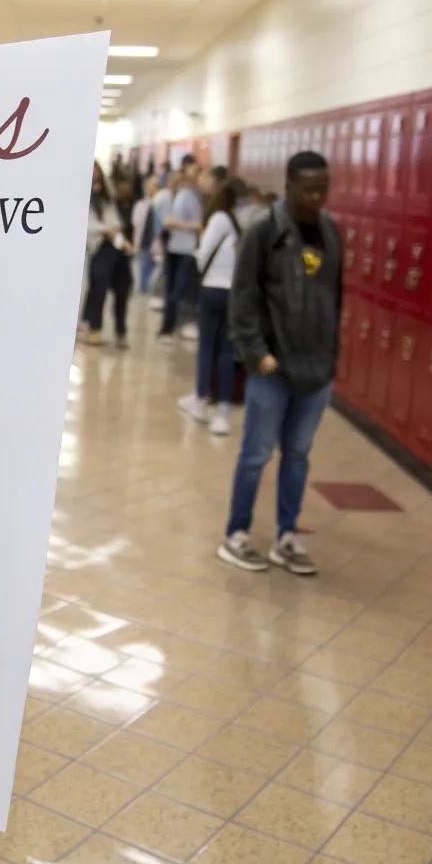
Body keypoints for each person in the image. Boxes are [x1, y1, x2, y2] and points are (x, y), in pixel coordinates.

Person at [217, 151, 342, 578]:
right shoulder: (264, 231)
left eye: (322, 188)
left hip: (315, 371)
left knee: (298, 456)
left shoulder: (329, 231)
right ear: (287, 187)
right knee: (256, 455)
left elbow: (333, 299)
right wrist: (259, 357)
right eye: (307, 189)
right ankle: (237, 534)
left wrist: (331, 357)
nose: (316, 197)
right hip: (273, 369)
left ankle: (287, 536)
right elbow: (243, 300)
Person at [179, 176, 248, 436]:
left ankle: (200, 400)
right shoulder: (239, 224)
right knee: (227, 351)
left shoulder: (219, 219)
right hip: (233, 293)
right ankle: (223, 410)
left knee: (208, 347)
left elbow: (202, 256)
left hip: (211, 290)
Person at [80, 162, 132, 347]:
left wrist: (119, 239)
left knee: (123, 287)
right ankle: (94, 326)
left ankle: (120, 329)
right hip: (98, 247)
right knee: (98, 286)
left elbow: (115, 225)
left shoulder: (107, 200)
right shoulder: (82, 201)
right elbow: (91, 227)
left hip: (113, 246)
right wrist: (107, 230)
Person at [158, 154, 202, 340]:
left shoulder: (189, 196)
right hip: (176, 247)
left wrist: (176, 223)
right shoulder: (177, 196)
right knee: (173, 289)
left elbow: (197, 223)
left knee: (176, 290)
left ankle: (171, 325)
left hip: (184, 248)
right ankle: (168, 325)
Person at [131, 173, 160, 295]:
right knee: (144, 267)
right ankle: (144, 292)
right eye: (149, 186)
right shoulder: (141, 205)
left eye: (154, 186)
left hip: (157, 243)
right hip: (143, 241)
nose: (151, 188)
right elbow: (135, 223)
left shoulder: (160, 204)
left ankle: (147, 292)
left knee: (153, 269)